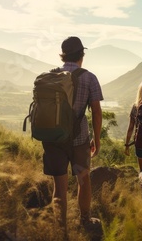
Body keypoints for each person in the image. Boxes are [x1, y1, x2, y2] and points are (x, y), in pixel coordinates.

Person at [41, 36, 103, 234]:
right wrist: (97, 139)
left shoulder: (50, 76)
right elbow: (96, 111)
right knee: (83, 180)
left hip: (53, 140)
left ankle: (61, 229)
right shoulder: (89, 77)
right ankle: (84, 220)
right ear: (81, 55)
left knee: (59, 187)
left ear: (63, 55)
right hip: (79, 141)